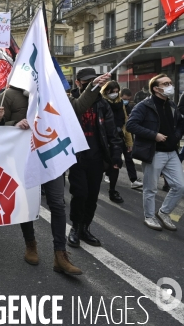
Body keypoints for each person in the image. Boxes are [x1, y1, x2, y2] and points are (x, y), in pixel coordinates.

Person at [0, 71, 110, 276]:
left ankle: (60, 254)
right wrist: (12, 123)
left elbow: (77, 108)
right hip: (23, 158)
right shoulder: (9, 95)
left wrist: (93, 87)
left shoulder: (54, 93)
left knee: (57, 203)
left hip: (50, 156)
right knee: (27, 203)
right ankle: (31, 244)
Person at [67, 68, 122, 249]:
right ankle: (75, 227)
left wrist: (115, 156)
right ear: (78, 82)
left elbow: (111, 132)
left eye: (95, 80)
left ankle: (85, 228)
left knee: (92, 196)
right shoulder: (69, 100)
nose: (92, 84)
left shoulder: (103, 104)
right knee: (80, 194)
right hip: (77, 157)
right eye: (87, 81)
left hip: (96, 157)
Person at [127, 74, 184, 231]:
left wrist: (177, 136)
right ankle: (149, 216)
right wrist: (154, 135)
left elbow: (180, 123)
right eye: (166, 83)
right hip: (154, 153)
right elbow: (131, 125)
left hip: (172, 152)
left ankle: (164, 212)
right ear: (155, 88)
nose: (170, 85)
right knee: (150, 188)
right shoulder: (144, 106)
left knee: (180, 186)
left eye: (170, 83)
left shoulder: (171, 105)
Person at [100, 81, 139, 202]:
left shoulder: (120, 103)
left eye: (117, 92)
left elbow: (125, 124)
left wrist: (129, 142)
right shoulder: (100, 103)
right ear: (106, 91)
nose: (115, 94)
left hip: (117, 139)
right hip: (103, 139)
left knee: (116, 165)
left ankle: (112, 190)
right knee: (100, 166)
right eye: (112, 92)